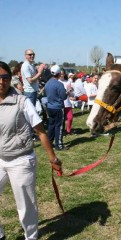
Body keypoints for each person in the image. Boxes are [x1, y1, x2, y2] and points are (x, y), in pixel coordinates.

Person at [0, 61, 62, 240]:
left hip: (21, 160)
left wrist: (53, 158)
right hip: (1, 158)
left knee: (25, 205)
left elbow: (41, 132)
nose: (1, 82)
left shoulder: (22, 101)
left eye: (4, 77)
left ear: (9, 79)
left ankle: (31, 236)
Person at [44, 65, 69, 151]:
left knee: (51, 125)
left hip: (50, 107)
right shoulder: (59, 84)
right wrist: (67, 92)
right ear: (59, 74)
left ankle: (49, 143)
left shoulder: (47, 83)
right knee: (59, 126)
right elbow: (63, 96)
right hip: (58, 107)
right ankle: (59, 145)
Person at [58, 69, 74, 135]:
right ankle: (61, 131)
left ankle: (68, 130)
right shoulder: (57, 82)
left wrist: (71, 91)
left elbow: (71, 94)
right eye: (60, 74)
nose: (61, 75)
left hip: (67, 103)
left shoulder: (68, 82)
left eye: (63, 74)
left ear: (64, 74)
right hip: (60, 103)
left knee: (70, 117)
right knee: (61, 119)